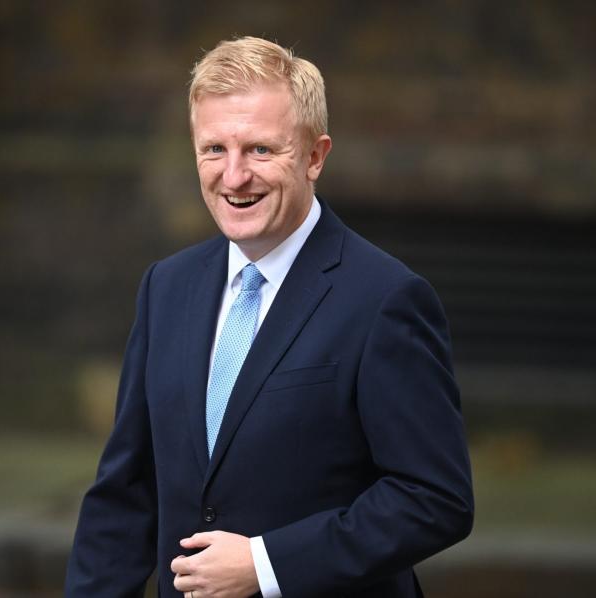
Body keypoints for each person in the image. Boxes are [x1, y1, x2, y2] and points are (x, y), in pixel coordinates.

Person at [66, 36, 473, 598]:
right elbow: (126, 493)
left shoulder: (386, 299)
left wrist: (266, 564)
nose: (233, 177)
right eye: (213, 150)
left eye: (260, 150)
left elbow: (435, 498)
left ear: (314, 156)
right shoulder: (167, 287)